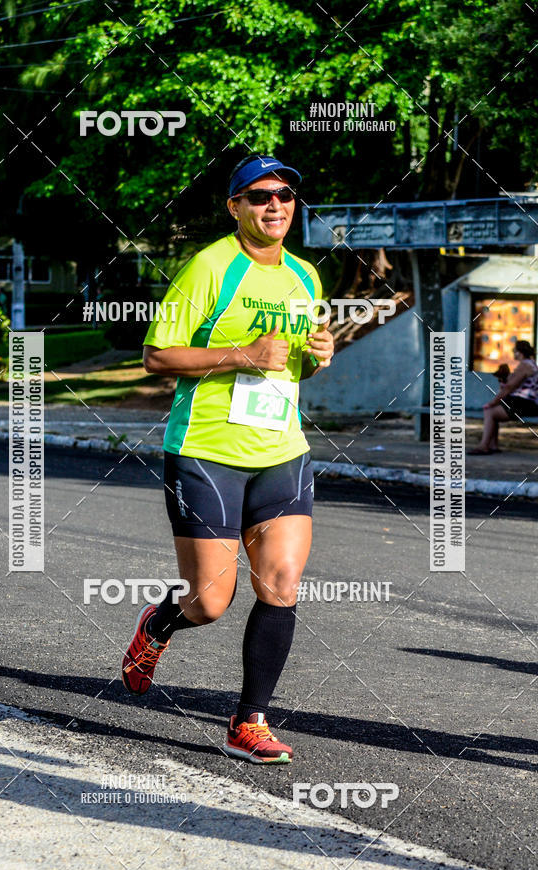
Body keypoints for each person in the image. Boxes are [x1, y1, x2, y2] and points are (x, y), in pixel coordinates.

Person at [121, 153, 334, 764]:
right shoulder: (210, 268)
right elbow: (157, 357)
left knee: (282, 584)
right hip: (207, 451)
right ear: (235, 206)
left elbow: (293, 359)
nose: (276, 206)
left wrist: (317, 351)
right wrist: (241, 354)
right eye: (261, 196)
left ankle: (248, 721)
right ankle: (160, 625)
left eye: (286, 196)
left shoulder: (305, 276)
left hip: (281, 451)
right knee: (210, 601)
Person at [469, 339, 538, 454]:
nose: (513, 353)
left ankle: (484, 445)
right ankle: (493, 445)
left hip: (524, 404)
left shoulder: (525, 365)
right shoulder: (529, 364)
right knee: (492, 411)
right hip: (523, 402)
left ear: (519, 353)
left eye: (514, 351)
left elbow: (509, 387)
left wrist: (492, 402)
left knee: (490, 411)